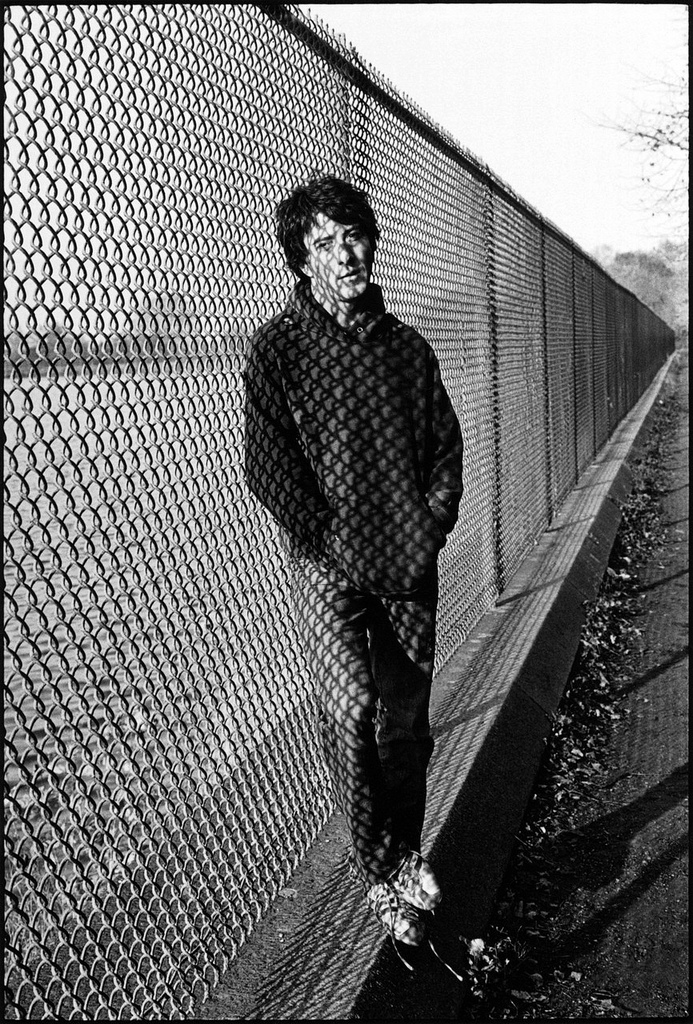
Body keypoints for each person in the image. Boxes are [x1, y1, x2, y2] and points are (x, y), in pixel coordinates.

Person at [244, 176, 463, 955]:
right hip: (328, 566)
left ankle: (405, 857)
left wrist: (425, 531)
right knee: (347, 711)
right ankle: (382, 868)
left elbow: (445, 450)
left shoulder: (406, 349)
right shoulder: (278, 352)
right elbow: (269, 470)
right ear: (300, 262)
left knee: (404, 725)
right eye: (325, 243)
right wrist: (329, 544)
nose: (345, 254)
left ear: (372, 240)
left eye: (354, 236)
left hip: (406, 563)